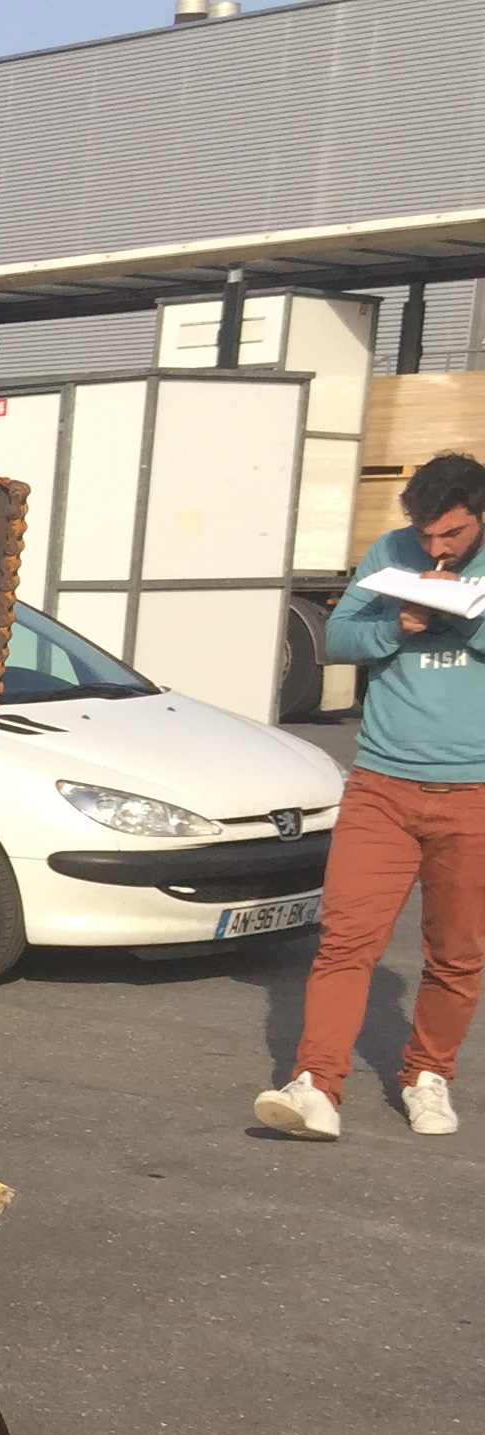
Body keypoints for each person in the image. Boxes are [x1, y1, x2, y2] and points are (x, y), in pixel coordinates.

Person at [257, 451, 485, 1139]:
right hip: (381, 786)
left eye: (452, 535)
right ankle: (316, 1085)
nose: (436, 547)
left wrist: (458, 614)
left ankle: (428, 1076)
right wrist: (398, 623)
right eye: (425, 534)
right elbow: (337, 637)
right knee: (345, 940)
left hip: (474, 791)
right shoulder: (389, 551)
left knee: (457, 955)